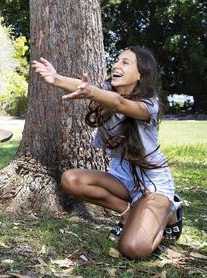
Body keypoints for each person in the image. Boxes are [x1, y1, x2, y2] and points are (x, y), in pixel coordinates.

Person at [31, 47, 183, 259]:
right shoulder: (107, 91)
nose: (116, 65)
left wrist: (91, 92)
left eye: (125, 62)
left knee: (133, 249)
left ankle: (170, 213)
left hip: (154, 186)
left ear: (141, 74)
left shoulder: (150, 104)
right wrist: (55, 78)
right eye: (117, 60)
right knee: (71, 179)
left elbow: (119, 103)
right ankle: (129, 213)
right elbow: (84, 87)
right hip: (122, 180)